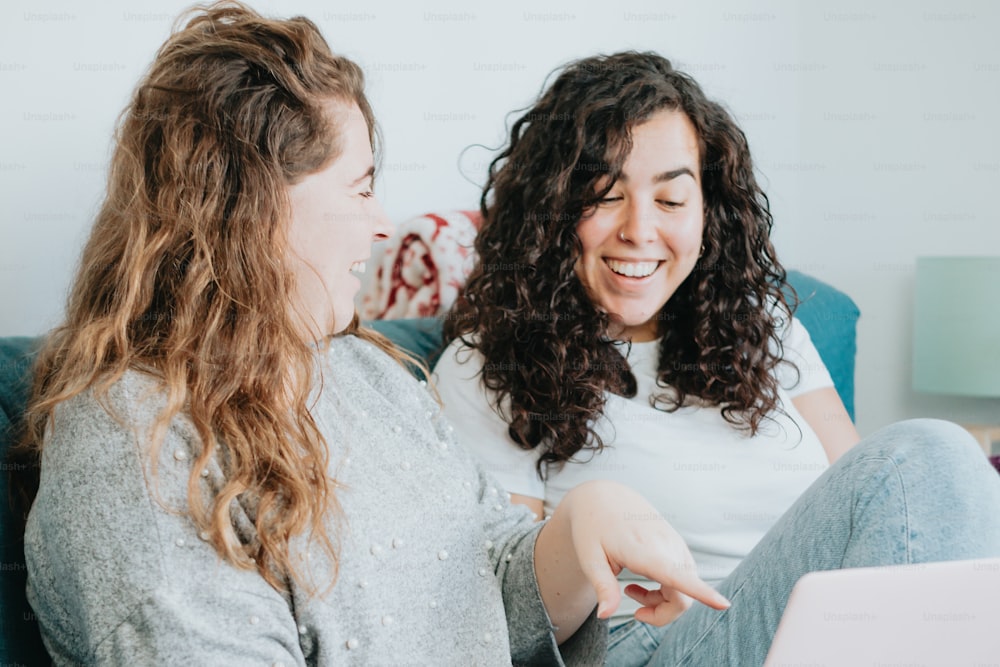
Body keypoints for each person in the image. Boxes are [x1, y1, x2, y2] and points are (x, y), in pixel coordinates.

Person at [18, 10, 732, 666]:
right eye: (360, 189)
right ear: (254, 210)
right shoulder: (130, 442)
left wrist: (586, 521)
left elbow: (483, 598)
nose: (382, 223)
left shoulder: (366, 371)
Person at [433, 51, 1000, 665]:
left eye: (672, 201)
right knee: (930, 452)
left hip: (825, 632)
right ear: (551, 210)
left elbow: (865, 498)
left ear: (708, 215)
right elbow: (506, 617)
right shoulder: (486, 367)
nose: (640, 230)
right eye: (603, 196)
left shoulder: (767, 326)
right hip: (650, 644)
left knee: (938, 469)